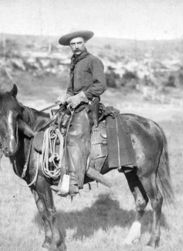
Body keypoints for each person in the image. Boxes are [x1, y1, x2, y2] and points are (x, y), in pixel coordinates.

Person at [51, 30, 106, 196]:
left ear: (84, 43)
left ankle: (73, 182)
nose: (76, 46)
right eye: (72, 44)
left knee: (74, 137)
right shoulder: (75, 63)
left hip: (89, 106)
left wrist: (81, 96)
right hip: (75, 105)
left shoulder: (93, 61)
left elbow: (100, 86)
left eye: (79, 43)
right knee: (56, 127)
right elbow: (70, 89)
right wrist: (65, 97)